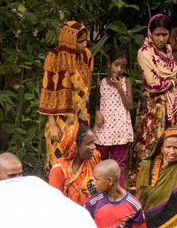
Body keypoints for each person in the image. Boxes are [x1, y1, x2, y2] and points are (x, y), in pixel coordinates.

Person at [134, 16, 177, 188]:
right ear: (150, 33)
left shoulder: (168, 51)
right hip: (153, 108)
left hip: (170, 107)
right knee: (150, 143)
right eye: (157, 34)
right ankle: (144, 184)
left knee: (168, 143)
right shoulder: (144, 52)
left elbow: (172, 72)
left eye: (165, 34)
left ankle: (164, 183)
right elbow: (153, 84)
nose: (161, 39)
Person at [41, 22, 94, 168]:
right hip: (62, 118)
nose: (84, 45)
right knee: (60, 157)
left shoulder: (87, 56)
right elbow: (48, 91)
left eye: (85, 41)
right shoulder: (54, 58)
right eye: (80, 42)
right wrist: (52, 124)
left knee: (82, 155)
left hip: (82, 115)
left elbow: (87, 89)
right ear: (70, 40)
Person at [93, 48, 134, 171]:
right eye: (116, 65)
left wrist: (120, 89)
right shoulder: (101, 84)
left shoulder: (126, 82)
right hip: (103, 128)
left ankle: (118, 189)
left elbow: (130, 106)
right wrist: (97, 112)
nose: (119, 69)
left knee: (119, 164)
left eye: (123, 67)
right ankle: (101, 189)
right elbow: (96, 103)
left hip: (120, 130)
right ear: (109, 64)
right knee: (100, 162)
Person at [48, 124, 100, 205]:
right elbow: (54, 202)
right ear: (75, 146)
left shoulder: (94, 158)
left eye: (93, 142)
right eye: (89, 143)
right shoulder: (59, 169)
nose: (94, 147)